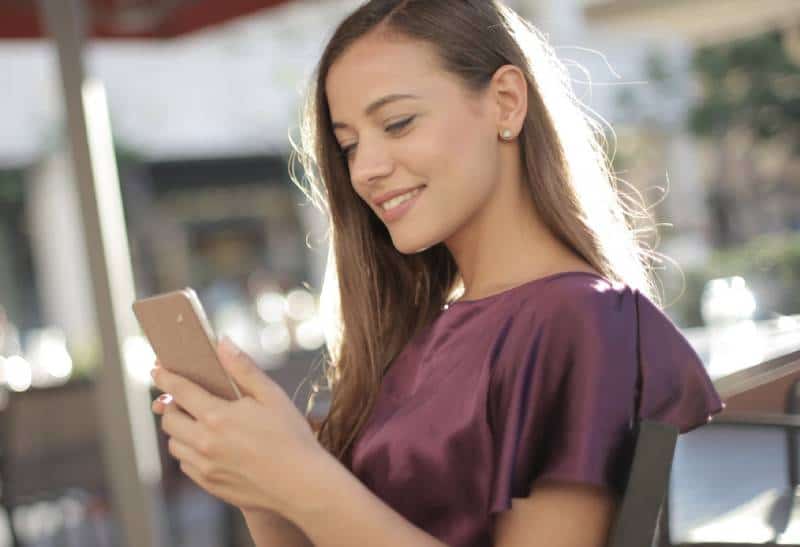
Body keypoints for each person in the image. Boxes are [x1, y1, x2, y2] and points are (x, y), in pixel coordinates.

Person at [150, 1, 723, 546]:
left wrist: (299, 477)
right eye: (348, 146)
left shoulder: (581, 320)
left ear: (506, 102)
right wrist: (261, 486)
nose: (365, 170)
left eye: (397, 123)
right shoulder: (420, 338)